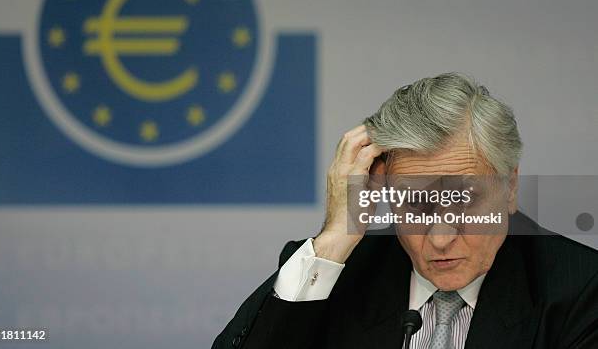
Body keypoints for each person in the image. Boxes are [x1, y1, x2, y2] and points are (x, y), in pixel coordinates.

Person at [212, 73, 598, 349]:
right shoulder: (337, 276)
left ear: (510, 186)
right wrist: (336, 237)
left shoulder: (580, 288)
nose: (442, 239)